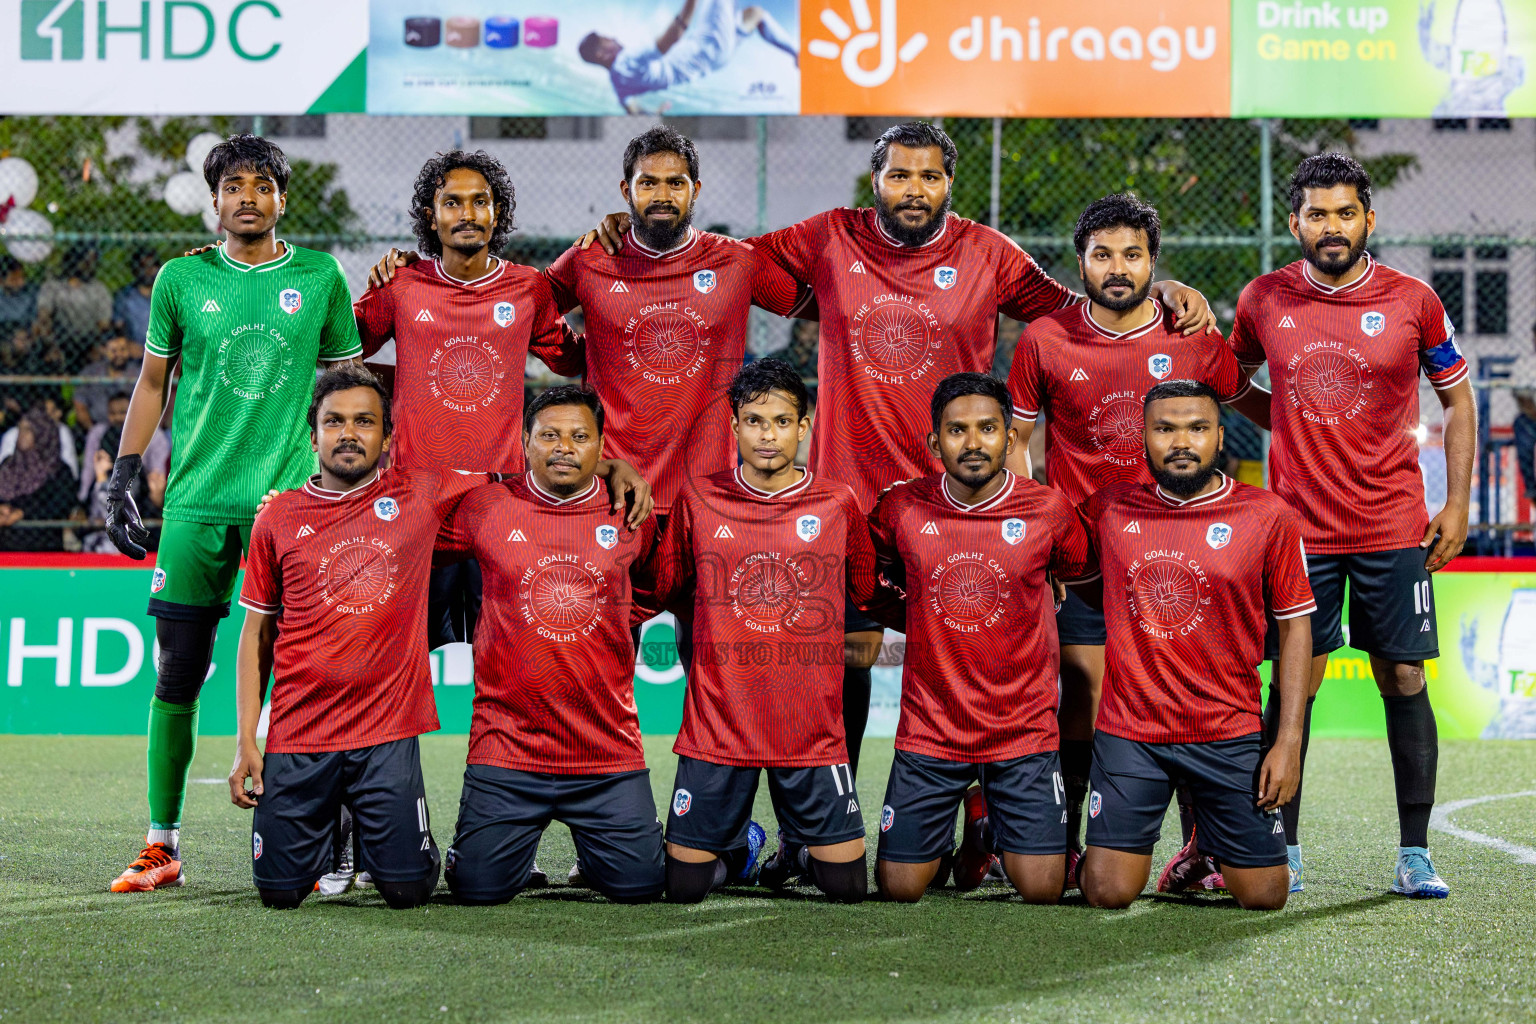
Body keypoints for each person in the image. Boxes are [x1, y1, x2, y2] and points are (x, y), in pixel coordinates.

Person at [586, 121, 1217, 781]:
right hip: (847, 507)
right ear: (876, 181)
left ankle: (980, 825)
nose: (914, 190)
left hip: (953, 506)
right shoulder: (831, 235)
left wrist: (1165, 293)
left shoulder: (987, 252)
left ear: (949, 183)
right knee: (843, 663)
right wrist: (637, 227)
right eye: (899, 176)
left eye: (930, 176)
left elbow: (1077, 308)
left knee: (968, 662)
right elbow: (716, 258)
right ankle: (840, 807)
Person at [103, 134, 364, 894]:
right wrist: (125, 472)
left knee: (303, 682)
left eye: (263, 184)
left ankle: (317, 840)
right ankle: (162, 844)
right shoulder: (181, 279)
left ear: (283, 197)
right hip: (192, 505)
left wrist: (352, 480)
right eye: (233, 185)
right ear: (214, 199)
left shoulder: (319, 276)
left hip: (287, 508)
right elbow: (154, 382)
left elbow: (348, 384)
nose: (247, 196)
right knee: (177, 674)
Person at [1230, 153, 1474, 898]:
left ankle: (1414, 853)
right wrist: (1286, 422)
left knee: (1401, 674)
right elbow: (1229, 378)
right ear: (1295, 221)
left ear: (1369, 219)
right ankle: (1284, 848)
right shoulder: (1263, 298)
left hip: (1393, 525)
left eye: (1344, 213)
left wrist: (1458, 504)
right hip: (1297, 534)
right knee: (1294, 683)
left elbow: (1458, 402)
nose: (1330, 227)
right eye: (1316, 214)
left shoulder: (1413, 300)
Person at [1004, 193, 1261, 891]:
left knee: (1186, 704)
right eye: (1102, 255)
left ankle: (1200, 849)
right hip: (1084, 564)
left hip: (1183, 561)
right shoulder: (1043, 340)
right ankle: (1069, 844)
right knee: (1082, 702)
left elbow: (1250, 405)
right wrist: (1037, 539)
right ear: (1080, 261)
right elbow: (1020, 445)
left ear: (1154, 260)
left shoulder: (1193, 333)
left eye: (1133, 256)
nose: (1118, 269)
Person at [228, 365, 487, 909]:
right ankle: (335, 827)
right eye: (335, 421)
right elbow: (255, 638)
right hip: (300, 733)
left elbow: (523, 477)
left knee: (409, 890)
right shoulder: (276, 518)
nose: (349, 433)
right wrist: (246, 741)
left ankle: (372, 829)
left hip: (386, 733)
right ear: (314, 433)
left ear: (388, 437)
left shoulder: (420, 493)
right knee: (278, 894)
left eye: (365, 421)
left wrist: (608, 464)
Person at [1075, 379, 1313, 912]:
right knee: (1107, 892)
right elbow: (1077, 575)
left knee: (1266, 896)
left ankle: (1207, 839)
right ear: (1143, 438)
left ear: (1221, 437)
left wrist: (1288, 740)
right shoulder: (1107, 510)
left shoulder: (1268, 517)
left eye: (1197, 428)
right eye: (1165, 429)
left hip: (1227, 729)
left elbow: (1296, 628)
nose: (1181, 441)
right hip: (1131, 730)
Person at [864, 372, 1096, 904]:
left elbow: (1077, 569)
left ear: (1009, 439)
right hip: (932, 727)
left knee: (1042, 891)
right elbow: (866, 577)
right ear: (933, 442)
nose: (973, 444)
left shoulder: (1048, 510)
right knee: (899, 889)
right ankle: (964, 827)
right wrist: (915, 614)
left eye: (988, 429)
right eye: (957, 430)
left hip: (1022, 730)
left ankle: (985, 825)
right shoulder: (901, 507)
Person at [650, 358, 875, 903]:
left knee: (846, 890)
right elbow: (669, 586)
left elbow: (864, 588)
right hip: (720, 723)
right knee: (682, 889)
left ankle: (798, 849)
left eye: (780, 421)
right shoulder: (699, 498)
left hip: (809, 727)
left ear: (804, 427)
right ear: (733, 426)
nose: (767, 434)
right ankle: (739, 847)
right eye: (753, 421)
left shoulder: (837, 501)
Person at [437, 385, 665, 905]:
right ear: (524, 440)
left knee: (643, 887)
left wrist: (616, 618)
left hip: (605, 749)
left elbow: (659, 583)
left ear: (602, 446)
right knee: (476, 890)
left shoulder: (631, 511)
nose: (564, 447)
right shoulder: (487, 507)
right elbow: (409, 532)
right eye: (549, 435)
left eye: (580, 437)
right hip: (508, 747)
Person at [578, 0, 798, 113]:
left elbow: (632, 110)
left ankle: (797, 56)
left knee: (755, 15)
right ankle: (797, 54)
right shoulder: (626, 60)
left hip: (715, 60)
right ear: (600, 53)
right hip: (707, 46)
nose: (613, 37)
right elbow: (671, 38)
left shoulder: (618, 82)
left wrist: (654, 112)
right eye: (606, 39)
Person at [0, 407, 79, 552]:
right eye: (20, 429)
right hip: (5, 543)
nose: (21, 435)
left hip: (44, 545)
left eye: (28, 430)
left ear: (42, 433)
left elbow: (61, 506)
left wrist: (23, 513)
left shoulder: (59, 471)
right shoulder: (8, 465)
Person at [36, 244, 112, 365]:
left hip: (88, 339)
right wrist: (51, 344)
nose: (89, 265)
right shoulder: (53, 285)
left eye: (92, 261)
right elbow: (44, 316)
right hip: (58, 337)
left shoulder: (98, 289)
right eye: (85, 261)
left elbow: (104, 324)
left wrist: (96, 345)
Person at [74, 328, 143, 429]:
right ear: (105, 351)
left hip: (134, 427)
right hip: (99, 426)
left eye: (123, 349)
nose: (119, 354)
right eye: (114, 351)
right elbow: (79, 404)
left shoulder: (138, 373)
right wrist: (92, 430)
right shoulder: (91, 373)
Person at [1510, 321, 1536, 506]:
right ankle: (1532, 487)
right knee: (1521, 425)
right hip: (1531, 417)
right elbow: (1521, 397)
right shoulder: (1525, 364)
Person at [114, 249, 160, 348]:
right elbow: (118, 327)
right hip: (134, 351)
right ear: (135, 269)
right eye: (143, 266)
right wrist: (128, 344)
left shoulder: (168, 295)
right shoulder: (125, 296)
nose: (149, 270)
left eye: (152, 265)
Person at [0, 256, 38, 338]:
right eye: (14, 279)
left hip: (25, 334)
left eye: (22, 276)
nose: (21, 282)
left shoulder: (31, 292)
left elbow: (36, 321)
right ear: (1, 281)